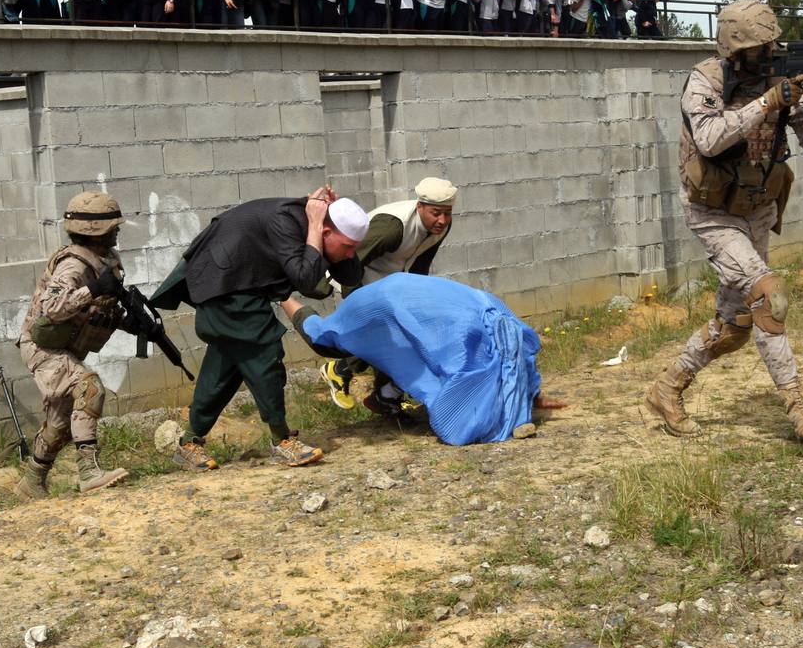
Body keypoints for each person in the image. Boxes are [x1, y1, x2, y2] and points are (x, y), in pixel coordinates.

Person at [644, 0, 803, 451]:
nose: (769, 53)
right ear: (734, 50)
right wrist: (766, 102)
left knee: (736, 324)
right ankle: (799, 409)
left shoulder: (778, 81)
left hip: (757, 207)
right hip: (713, 212)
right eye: (760, 48)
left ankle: (667, 387)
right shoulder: (706, 80)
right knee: (769, 294)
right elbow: (710, 139)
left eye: (771, 45)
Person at [150, 190, 369, 470]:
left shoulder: (320, 227)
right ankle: (281, 440)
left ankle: (189, 442)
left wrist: (334, 227)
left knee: (226, 365)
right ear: (325, 231)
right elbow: (305, 279)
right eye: (348, 246)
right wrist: (315, 227)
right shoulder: (287, 222)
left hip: (241, 284)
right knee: (264, 354)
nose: (351, 253)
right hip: (223, 283)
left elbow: (350, 274)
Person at [282, 275, 566, 445]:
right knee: (325, 339)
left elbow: (523, 355)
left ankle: (383, 399)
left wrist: (534, 395)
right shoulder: (463, 341)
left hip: (412, 298)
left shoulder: (504, 320)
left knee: (409, 357)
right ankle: (282, 295)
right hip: (382, 303)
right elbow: (452, 424)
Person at [15, 191, 132, 498]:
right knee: (89, 387)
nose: (117, 232)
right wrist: (91, 289)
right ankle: (89, 473)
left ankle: (31, 482)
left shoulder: (104, 260)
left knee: (59, 422)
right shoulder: (73, 265)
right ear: (96, 231)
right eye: (113, 227)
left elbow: (98, 307)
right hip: (42, 346)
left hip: (63, 346)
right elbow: (51, 309)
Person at [320, 177, 456, 415]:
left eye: (448, 213)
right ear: (419, 207)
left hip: (389, 280)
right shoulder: (392, 227)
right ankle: (341, 371)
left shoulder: (441, 227)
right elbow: (353, 259)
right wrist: (357, 305)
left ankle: (384, 397)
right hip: (355, 273)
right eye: (436, 213)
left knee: (405, 331)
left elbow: (420, 265)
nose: (442, 220)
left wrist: (417, 300)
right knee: (383, 333)